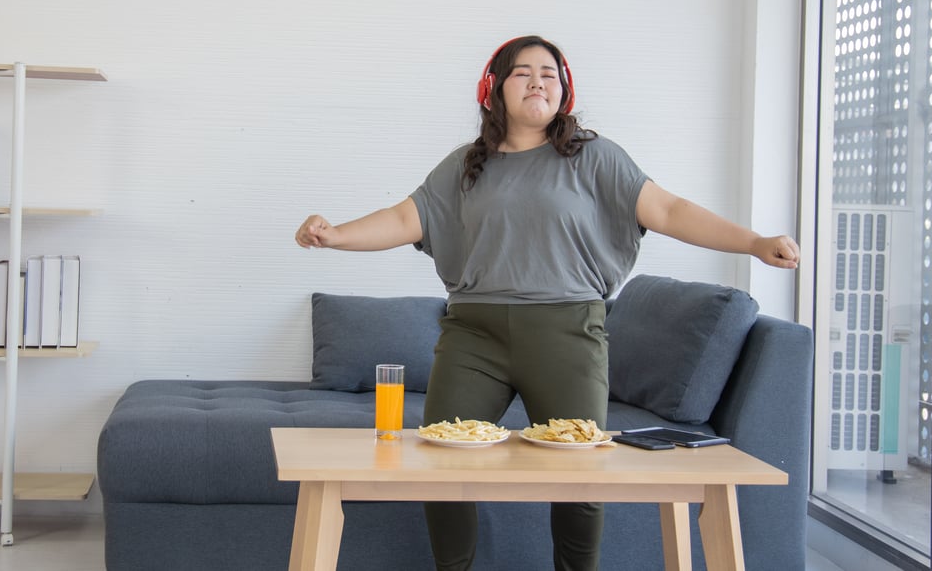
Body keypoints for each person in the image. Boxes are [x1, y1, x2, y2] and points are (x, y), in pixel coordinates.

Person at [294, 35, 799, 571]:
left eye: (549, 74)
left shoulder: (595, 158)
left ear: (564, 91)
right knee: (439, 461)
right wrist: (335, 234)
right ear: (494, 88)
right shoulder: (465, 166)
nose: (538, 81)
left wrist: (754, 242)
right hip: (473, 336)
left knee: (580, 475)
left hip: (568, 334)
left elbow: (670, 210)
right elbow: (402, 219)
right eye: (522, 72)